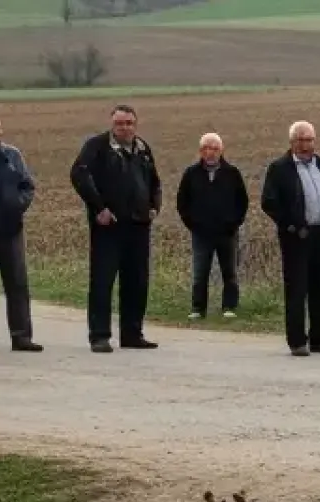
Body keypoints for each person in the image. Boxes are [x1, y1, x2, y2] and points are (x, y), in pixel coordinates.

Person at [69, 104, 160, 353]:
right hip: (109, 226)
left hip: (138, 225)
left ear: (135, 124)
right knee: (102, 281)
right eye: (120, 123)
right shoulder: (97, 147)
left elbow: (155, 182)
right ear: (112, 124)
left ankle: (132, 333)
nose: (125, 127)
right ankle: (99, 336)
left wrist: (154, 207)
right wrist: (98, 208)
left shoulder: (142, 149)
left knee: (137, 281)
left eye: (129, 122)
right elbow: (79, 174)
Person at [261, 121, 320, 357]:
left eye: (309, 140)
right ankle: (297, 341)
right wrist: (291, 225)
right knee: (297, 289)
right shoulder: (280, 168)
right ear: (292, 142)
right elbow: (269, 202)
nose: (306, 145)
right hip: (297, 236)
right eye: (301, 140)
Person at [175, 132, 248, 321]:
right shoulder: (191, 174)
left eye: (215, 149)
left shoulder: (232, 173)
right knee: (200, 273)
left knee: (229, 272)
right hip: (201, 234)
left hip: (227, 233)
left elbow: (242, 202)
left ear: (221, 151)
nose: (211, 152)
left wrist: (234, 223)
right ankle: (198, 309)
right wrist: (193, 225)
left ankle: (229, 307)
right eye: (207, 148)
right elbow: (182, 202)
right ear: (201, 151)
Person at [0, 116, 39, 352]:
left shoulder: (12, 156)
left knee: (17, 284)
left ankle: (21, 336)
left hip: (11, 230)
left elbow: (28, 185)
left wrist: (18, 205)